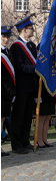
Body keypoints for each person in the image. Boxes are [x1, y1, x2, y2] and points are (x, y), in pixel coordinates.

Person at [9, 16, 38, 154]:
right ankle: (16, 143)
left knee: (28, 116)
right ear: (24, 30)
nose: (33, 30)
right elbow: (19, 67)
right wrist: (35, 69)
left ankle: (25, 140)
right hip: (21, 86)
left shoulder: (32, 46)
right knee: (18, 116)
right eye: (31, 28)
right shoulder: (16, 46)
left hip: (31, 86)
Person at [1, 26, 16, 156]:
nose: (6, 39)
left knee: (2, 119)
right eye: (3, 37)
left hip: (7, 93)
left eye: (7, 37)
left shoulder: (8, 52)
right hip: (2, 92)